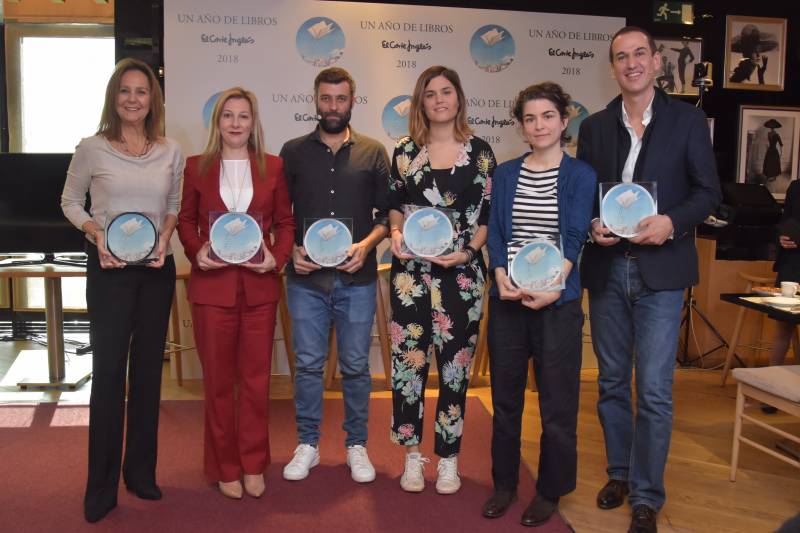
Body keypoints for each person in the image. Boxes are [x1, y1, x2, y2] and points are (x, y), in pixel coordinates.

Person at [577, 26, 721, 533]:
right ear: (612, 67)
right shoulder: (594, 127)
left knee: (655, 389)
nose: (631, 63)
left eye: (641, 54)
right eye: (621, 56)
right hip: (609, 268)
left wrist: (672, 221)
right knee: (612, 381)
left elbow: (708, 193)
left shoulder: (688, 121)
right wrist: (593, 225)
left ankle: (646, 495)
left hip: (662, 271)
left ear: (657, 62)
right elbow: (584, 196)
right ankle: (619, 473)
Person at [61, 58, 184, 523]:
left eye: (142, 92)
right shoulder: (92, 148)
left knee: (150, 373)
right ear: (114, 97)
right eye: (125, 91)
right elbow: (70, 201)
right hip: (109, 271)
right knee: (110, 375)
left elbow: (172, 205)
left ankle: (141, 473)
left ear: (153, 100)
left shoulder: (171, 150)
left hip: (157, 269)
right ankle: (101, 487)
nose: (134, 99)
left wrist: (167, 236)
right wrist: (95, 232)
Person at [481, 82, 595, 526]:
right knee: (505, 401)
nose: (539, 125)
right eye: (530, 118)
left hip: (557, 303)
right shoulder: (506, 173)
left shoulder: (580, 175)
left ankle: (550, 490)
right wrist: (500, 278)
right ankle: (505, 485)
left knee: (558, 404)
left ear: (564, 121)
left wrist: (554, 285)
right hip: (508, 301)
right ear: (521, 126)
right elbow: (496, 231)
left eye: (547, 116)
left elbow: (573, 235)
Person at [176, 87, 295, 499]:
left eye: (243, 116)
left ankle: (253, 462)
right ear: (217, 122)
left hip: (259, 289)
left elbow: (286, 224)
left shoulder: (274, 167)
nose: (235, 123)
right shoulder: (196, 167)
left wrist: (275, 259)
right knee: (219, 384)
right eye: (228, 116)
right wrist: (197, 251)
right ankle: (225, 466)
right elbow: (186, 222)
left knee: (256, 381)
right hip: (212, 291)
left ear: (253, 123)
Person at [279, 67, 390, 484]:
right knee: (307, 366)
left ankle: (355, 445)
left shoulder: (374, 152)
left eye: (340, 99)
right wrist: (289, 248)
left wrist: (366, 246)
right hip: (305, 279)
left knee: (357, 366)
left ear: (352, 102)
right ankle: (307, 444)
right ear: (315, 99)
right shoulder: (291, 152)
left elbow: (386, 217)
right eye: (326, 99)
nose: (333, 107)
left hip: (356, 280)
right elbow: (280, 216)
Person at [388, 65, 495, 494]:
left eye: (446, 92)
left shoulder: (482, 152)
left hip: (462, 278)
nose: (438, 100)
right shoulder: (403, 150)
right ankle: (412, 457)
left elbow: (487, 217)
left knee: (455, 371)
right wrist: (396, 233)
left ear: (458, 98)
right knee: (408, 367)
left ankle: (448, 458)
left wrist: (468, 251)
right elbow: (395, 204)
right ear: (421, 102)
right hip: (411, 278)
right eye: (429, 94)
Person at [763, 178, 800, 413]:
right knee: (783, 328)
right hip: (792, 265)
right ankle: (770, 393)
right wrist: (782, 237)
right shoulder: (796, 187)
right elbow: (785, 221)